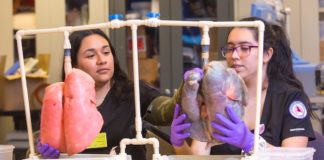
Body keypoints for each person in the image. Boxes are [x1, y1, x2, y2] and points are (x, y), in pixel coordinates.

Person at [170, 17, 316, 155]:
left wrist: (251, 143)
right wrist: (179, 144)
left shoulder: (289, 98)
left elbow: (295, 157)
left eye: (244, 48)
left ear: (267, 54)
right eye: (230, 48)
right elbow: (199, 156)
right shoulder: (216, 95)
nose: (234, 56)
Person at [36, 29, 177, 159]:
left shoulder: (135, 93)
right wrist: (43, 152)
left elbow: (168, 109)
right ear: (74, 64)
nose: (102, 60)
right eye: (91, 55)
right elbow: (37, 142)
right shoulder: (61, 99)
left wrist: (189, 88)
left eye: (106, 52)